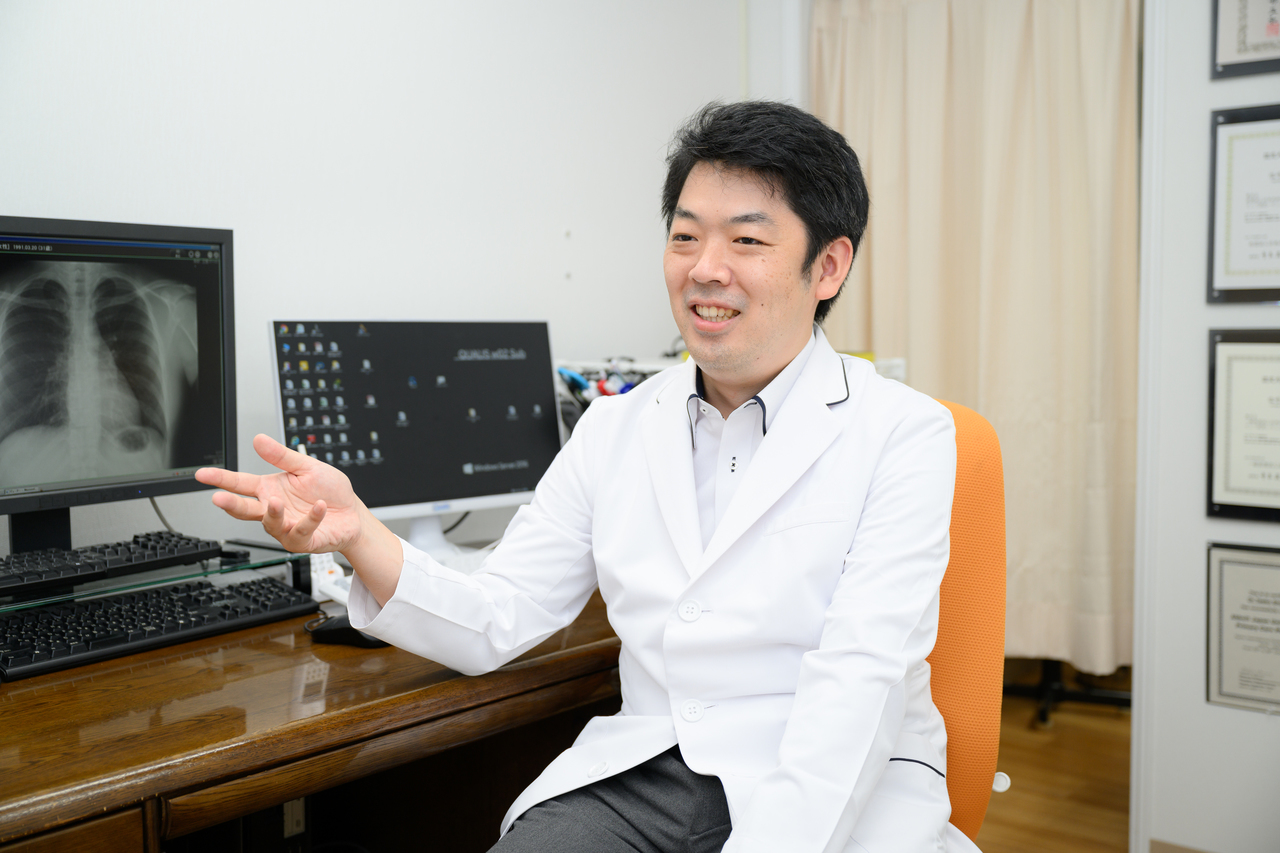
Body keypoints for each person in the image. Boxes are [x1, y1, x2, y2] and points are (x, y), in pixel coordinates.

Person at [198, 101, 979, 853]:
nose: (705, 269)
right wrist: (359, 532)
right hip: (650, 772)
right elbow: (500, 612)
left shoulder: (902, 433)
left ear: (828, 266)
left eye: (746, 241)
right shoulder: (615, 427)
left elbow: (857, 686)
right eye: (685, 236)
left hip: (832, 783)